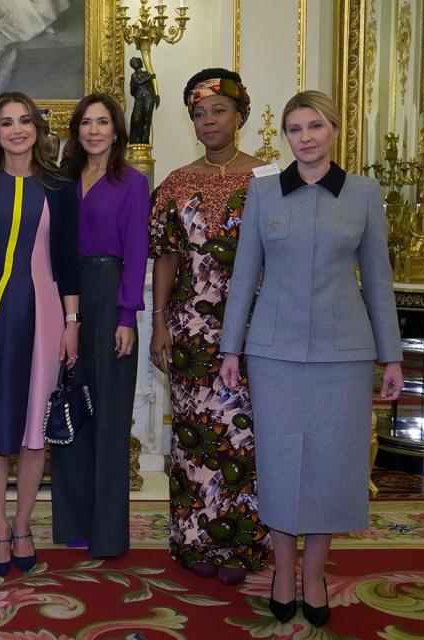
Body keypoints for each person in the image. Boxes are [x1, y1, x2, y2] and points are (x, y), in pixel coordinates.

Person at [219, 90, 403, 628]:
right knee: (279, 464)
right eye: (295, 129)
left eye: (315, 126)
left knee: (329, 465)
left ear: (334, 131)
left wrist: (390, 357)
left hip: (344, 353)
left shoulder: (365, 194)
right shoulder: (265, 194)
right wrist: (231, 347)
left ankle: (316, 574)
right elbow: (242, 279)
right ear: (286, 138)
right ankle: (282, 571)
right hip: (273, 352)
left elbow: (380, 283)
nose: (304, 137)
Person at [0, 91, 80, 577]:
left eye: (25, 121)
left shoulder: (60, 186)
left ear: (37, 129)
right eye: (7, 123)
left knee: (33, 425)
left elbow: (67, 260)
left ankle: (24, 526)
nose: (17, 130)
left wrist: (72, 324)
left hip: (46, 315)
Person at [148, 68, 271, 585]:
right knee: (195, 438)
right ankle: (196, 539)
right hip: (192, 333)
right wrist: (158, 323)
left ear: (240, 114)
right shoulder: (177, 182)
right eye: (199, 114)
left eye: (218, 110)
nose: (208, 121)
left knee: (245, 439)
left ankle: (242, 547)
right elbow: (166, 258)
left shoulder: (269, 177)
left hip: (255, 329)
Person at [51, 93, 150, 558]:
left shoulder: (132, 182)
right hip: (64, 298)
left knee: (109, 416)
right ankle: (73, 524)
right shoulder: (62, 181)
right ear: (77, 130)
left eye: (103, 122)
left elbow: (136, 252)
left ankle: (109, 534)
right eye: (86, 122)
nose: (94, 130)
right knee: (71, 405)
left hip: (111, 296)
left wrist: (127, 315)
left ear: (116, 130)